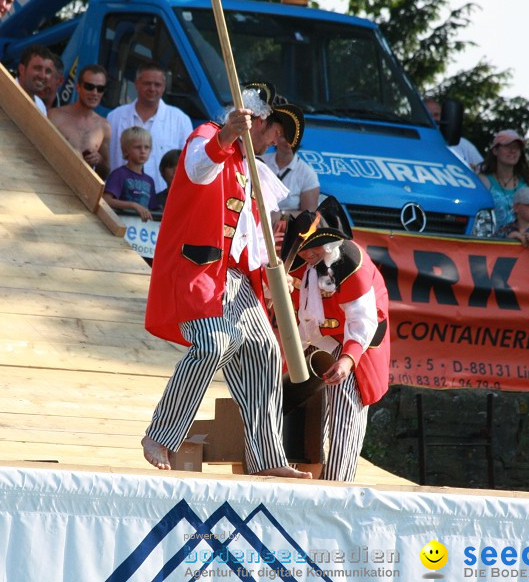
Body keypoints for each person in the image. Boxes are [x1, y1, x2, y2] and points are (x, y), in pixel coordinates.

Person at [141, 82, 311, 479]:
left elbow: (251, 233)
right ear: (257, 121)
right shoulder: (208, 137)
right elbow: (198, 169)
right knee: (214, 342)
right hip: (198, 270)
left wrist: (273, 272)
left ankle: (267, 457)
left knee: (266, 354)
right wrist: (228, 134)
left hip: (236, 278)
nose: (275, 142)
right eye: (274, 131)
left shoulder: (253, 168)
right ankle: (161, 433)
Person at [281, 210, 390, 482]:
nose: (306, 255)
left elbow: (363, 320)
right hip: (310, 338)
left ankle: (337, 483)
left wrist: (348, 359)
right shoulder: (296, 260)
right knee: (280, 392)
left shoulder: (353, 265)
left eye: (311, 249)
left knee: (345, 403)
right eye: (302, 250)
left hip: (355, 340)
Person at [106, 62, 194, 196]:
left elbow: (188, 165)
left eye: (157, 85)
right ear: (136, 84)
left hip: (162, 201)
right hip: (119, 199)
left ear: (164, 87)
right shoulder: (115, 117)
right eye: (147, 83)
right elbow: (106, 158)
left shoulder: (180, 120)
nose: (152, 88)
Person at [49, 65, 111, 178]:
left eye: (100, 89)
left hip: (81, 191)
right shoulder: (55, 116)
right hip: (51, 182)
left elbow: (105, 172)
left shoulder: (104, 126)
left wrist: (99, 161)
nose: (94, 93)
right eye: (89, 87)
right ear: (78, 87)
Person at [478, 129, 529, 232]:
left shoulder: (525, 184)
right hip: (492, 244)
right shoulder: (483, 181)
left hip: (521, 244)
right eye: (508, 146)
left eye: (517, 147)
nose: (513, 151)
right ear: (495, 150)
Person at [103, 127, 157, 222]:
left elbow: (153, 209)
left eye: (147, 147)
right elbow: (106, 200)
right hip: (121, 224)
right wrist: (133, 205)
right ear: (125, 151)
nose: (143, 151)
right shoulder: (119, 174)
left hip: (142, 230)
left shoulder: (150, 180)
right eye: (137, 147)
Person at [262, 130, 319, 212]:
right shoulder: (260, 162)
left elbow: (310, 213)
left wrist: (283, 215)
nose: (289, 142)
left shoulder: (308, 174)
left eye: (293, 137)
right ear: (275, 138)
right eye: (284, 136)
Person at [424, 97, 483, 170]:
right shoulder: (410, 142)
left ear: (445, 116)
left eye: (436, 115)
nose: (433, 119)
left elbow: (483, 172)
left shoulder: (463, 145)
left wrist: (473, 172)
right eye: (427, 115)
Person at [15, 45, 56, 116]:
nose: (42, 76)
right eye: (37, 68)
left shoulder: (40, 106)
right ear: (22, 69)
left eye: (48, 71)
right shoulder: (3, 89)